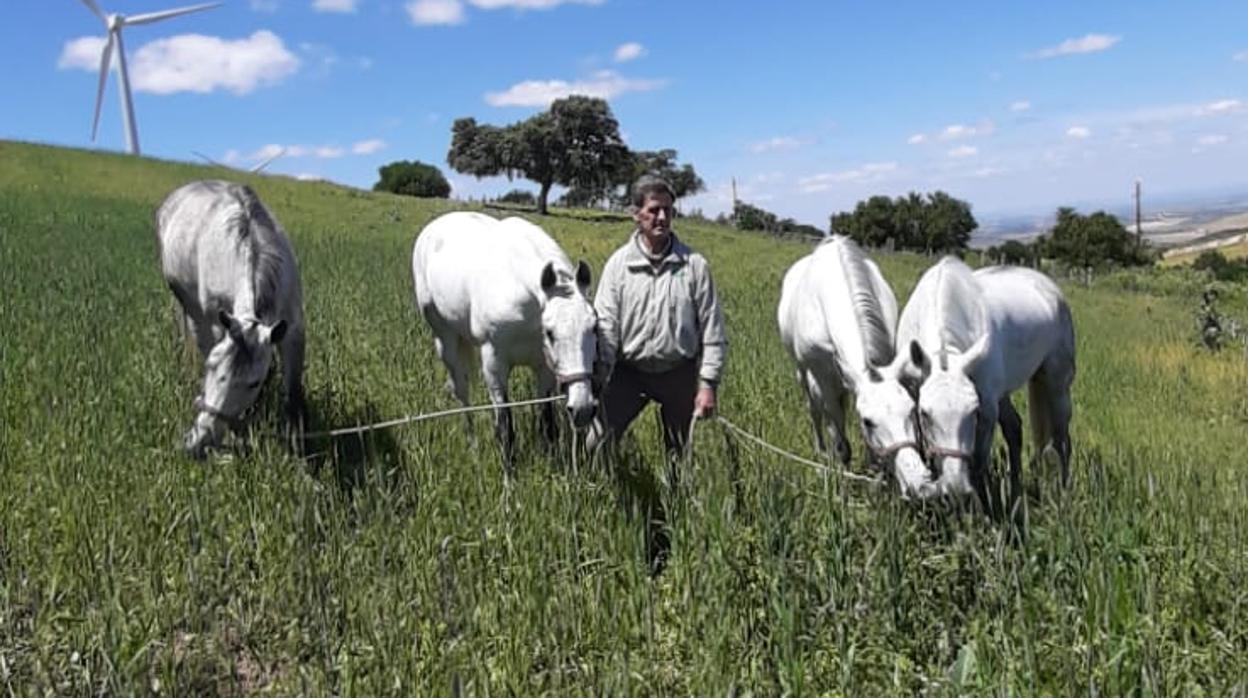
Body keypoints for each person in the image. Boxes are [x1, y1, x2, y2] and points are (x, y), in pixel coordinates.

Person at [590, 175, 728, 460]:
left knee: (678, 456)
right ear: (636, 214)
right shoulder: (619, 266)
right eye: (654, 210)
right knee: (596, 443)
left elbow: (713, 332)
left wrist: (708, 385)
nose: (662, 217)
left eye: (668, 210)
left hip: (677, 373)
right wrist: (599, 376)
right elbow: (605, 324)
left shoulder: (694, 266)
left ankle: (675, 500)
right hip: (627, 373)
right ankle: (604, 493)